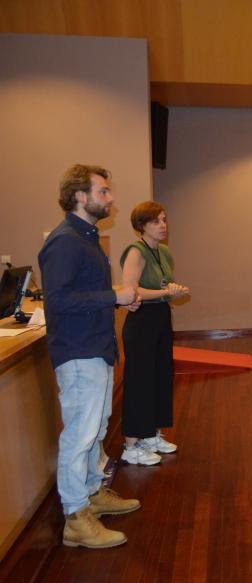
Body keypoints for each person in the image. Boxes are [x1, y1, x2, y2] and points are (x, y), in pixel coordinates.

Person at [38, 165, 143, 549]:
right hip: (79, 353)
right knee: (80, 436)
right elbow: (59, 301)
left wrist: (117, 298)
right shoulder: (65, 241)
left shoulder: (85, 236)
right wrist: (112, 297)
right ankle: (76, 518)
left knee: (95, 431)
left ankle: (92, 494)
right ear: (79, 196)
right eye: (103, 192)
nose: (110, 198)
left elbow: (83, 293)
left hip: (95, 349)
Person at [119, 201, 190, 466]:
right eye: (157, 221)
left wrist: (171, 289)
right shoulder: (135, 252)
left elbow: (161, 283)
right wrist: (165, 293)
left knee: (160, 377)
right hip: (141, 321)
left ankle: (151, 435)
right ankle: (130, 445)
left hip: (160, 318)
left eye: (164, 219)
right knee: (139, 381)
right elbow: (130, 290)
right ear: (142, 226)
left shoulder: (164, 252)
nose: (163, 225)